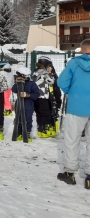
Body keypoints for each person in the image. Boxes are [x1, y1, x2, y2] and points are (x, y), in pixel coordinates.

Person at [57, 39, 90, 187]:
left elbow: (62, 82)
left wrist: (72, 92)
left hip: (76, 107)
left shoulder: (74, 63)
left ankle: (70, 173)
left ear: (82, 49)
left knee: (72, 140)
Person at [12, 66, 39, 142]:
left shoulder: (32, 84)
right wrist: (16, 83)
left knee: (27, 118)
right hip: (19, 102)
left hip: (28, 104)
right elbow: (14, 90)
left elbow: (37, 94)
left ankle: (27, 132)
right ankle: (19, 132)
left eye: (19, 75)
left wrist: (28, 95)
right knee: (19, 118)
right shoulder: (18, 82)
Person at [32, 56, 56, 138]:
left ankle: (41, 129)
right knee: (46, 113)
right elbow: (51, 81)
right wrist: (50, 73)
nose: (50, 67)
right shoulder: (44, 73)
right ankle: (46, 129)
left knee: (39, 113)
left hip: (36, 97)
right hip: (43, 96)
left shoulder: (35, 72)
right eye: (49, 65)